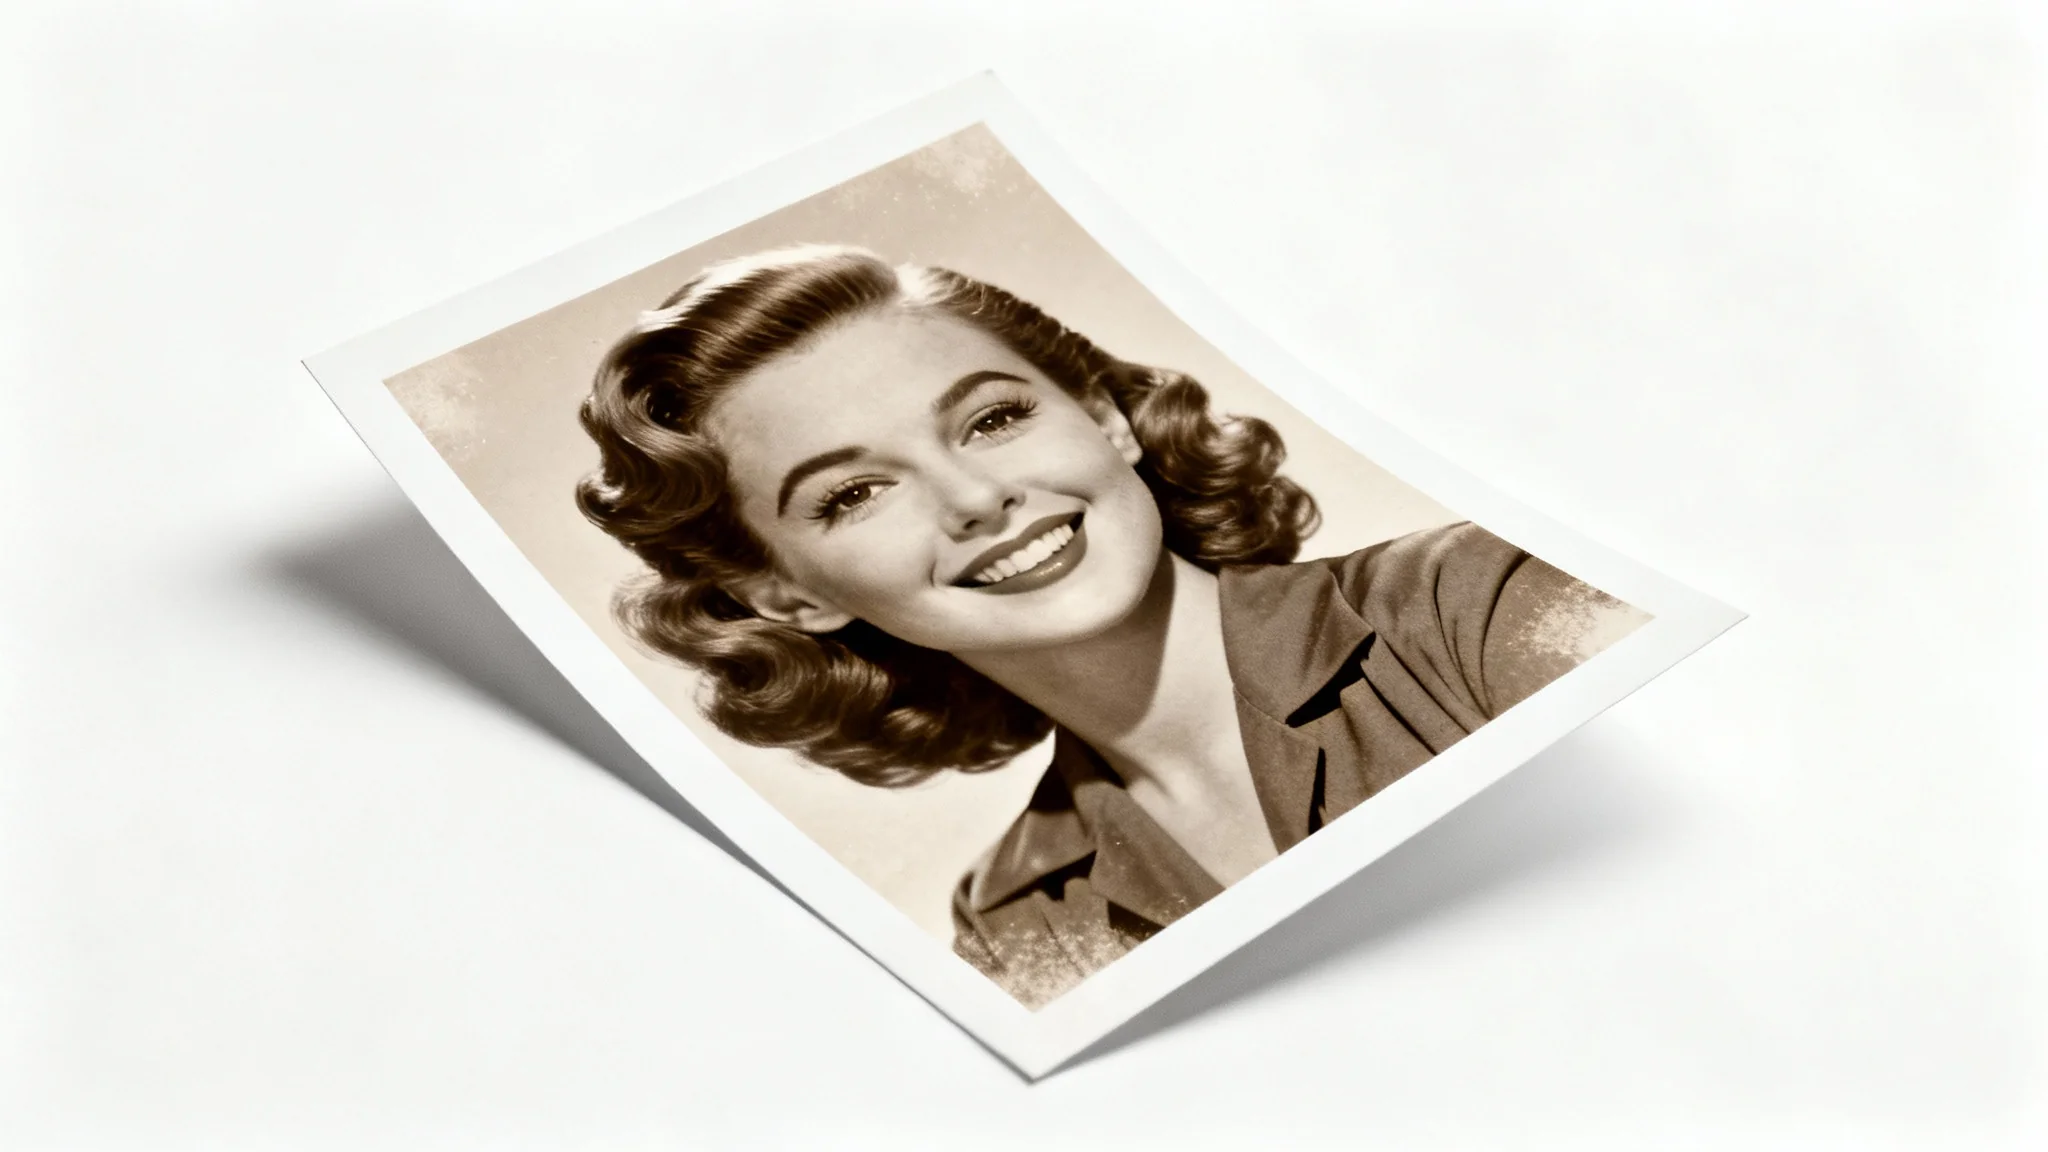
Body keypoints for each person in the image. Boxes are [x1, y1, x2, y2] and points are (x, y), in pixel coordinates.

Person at [575, 244, 1645, 1008]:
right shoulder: (1013, 926)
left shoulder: (1486, 604)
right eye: (853, 493)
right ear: (789, 596)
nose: (974, 498)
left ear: (1100, 417)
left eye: (992, 419)